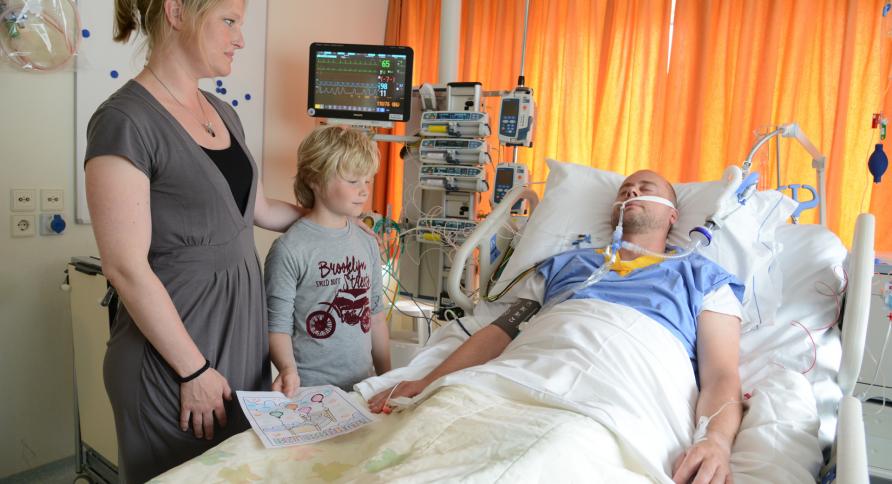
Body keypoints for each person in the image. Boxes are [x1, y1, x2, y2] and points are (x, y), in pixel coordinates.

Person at [368, 170, 745, 484]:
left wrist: (716, 441)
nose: (631, 192)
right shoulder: (566, 265)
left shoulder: (701, 276)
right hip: (522, 373)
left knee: (559, 451)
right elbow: (503, 329)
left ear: (673, 215)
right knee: (439, 424)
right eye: (624, 190)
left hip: (614, 393)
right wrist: (429, 380)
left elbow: (721, 374)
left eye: (646, 188)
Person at [84, 0, 305, 480]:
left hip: (238, 345)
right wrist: (194, 371)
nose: (240, 39)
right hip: (175, 361)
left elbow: (260, 211)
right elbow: (124, 267)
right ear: (177, 12)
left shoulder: (223, 113)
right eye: (229, 21)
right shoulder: (124, 120)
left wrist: (331, 218)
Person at [265, 126, 391, 396]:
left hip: (362, 389)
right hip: (309, 391)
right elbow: (277, 327)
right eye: (353, 180)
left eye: (367, 181)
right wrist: (287, 370)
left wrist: (387, 380)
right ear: (315, 179)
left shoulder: (367, 242)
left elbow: (376, 317)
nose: (364, 191)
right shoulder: (289, 249)